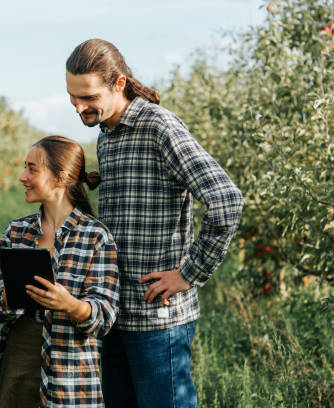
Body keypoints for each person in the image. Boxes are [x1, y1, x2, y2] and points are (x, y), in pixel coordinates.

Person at [65, 39, 244, 408]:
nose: (79, 106)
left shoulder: (159, 127)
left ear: (118, 84)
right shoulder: (107, 136)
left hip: (158, 319)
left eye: (88, 96)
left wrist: (188, 274)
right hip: (114, 312)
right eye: (72, 96)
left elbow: (226, 200)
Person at [0, 135, 120, 408]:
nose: (23, 176)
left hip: (70, 367)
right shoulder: (16, 232)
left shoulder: (96, 236)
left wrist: (69, 305)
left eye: (32, 168)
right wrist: (11, 298)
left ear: (61, 178)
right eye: (25, 167)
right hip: (19, 359)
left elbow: (105, 317)